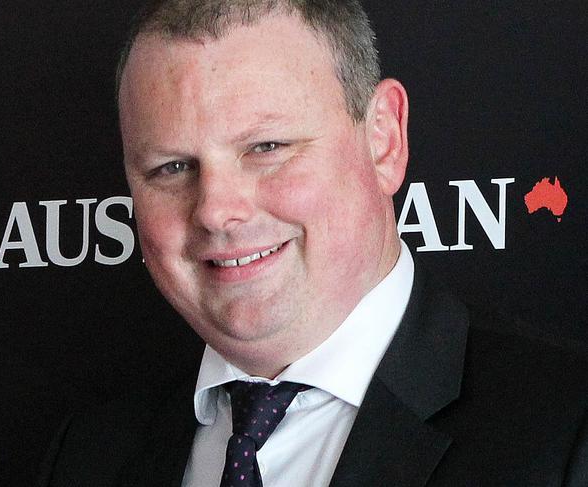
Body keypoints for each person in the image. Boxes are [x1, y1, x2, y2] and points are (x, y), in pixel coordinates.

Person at [37, 1, 587, 486]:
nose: (216, 210)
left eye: (266, 146)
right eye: (172, 167)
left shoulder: (566, 435)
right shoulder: (86, 458)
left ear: (384, 140)